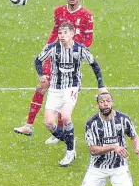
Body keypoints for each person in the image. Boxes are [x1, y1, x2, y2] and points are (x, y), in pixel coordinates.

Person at [14, 0, 94, 142]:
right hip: (55, 56)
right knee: (42, 86)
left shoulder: (87, 16)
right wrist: (48, 46)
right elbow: (54, 31)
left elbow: (88, 41)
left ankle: (59, 131)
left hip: (71, 59)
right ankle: (28, 126)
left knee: (63, 90)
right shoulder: (59, 11)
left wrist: (74, 50)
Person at [34, 22, 105, 167]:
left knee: (65, 116)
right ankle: (69, 141)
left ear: (72, 34)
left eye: (65, 33)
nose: (62, 36)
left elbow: (95, 65)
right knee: (48, 122)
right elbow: (38, 60)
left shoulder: (80, 50)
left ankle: (70, 151)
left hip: (72, 86)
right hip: (55, 87)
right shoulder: (52, 48)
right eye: (60, 33)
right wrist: (41, 75)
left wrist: (101, 87)